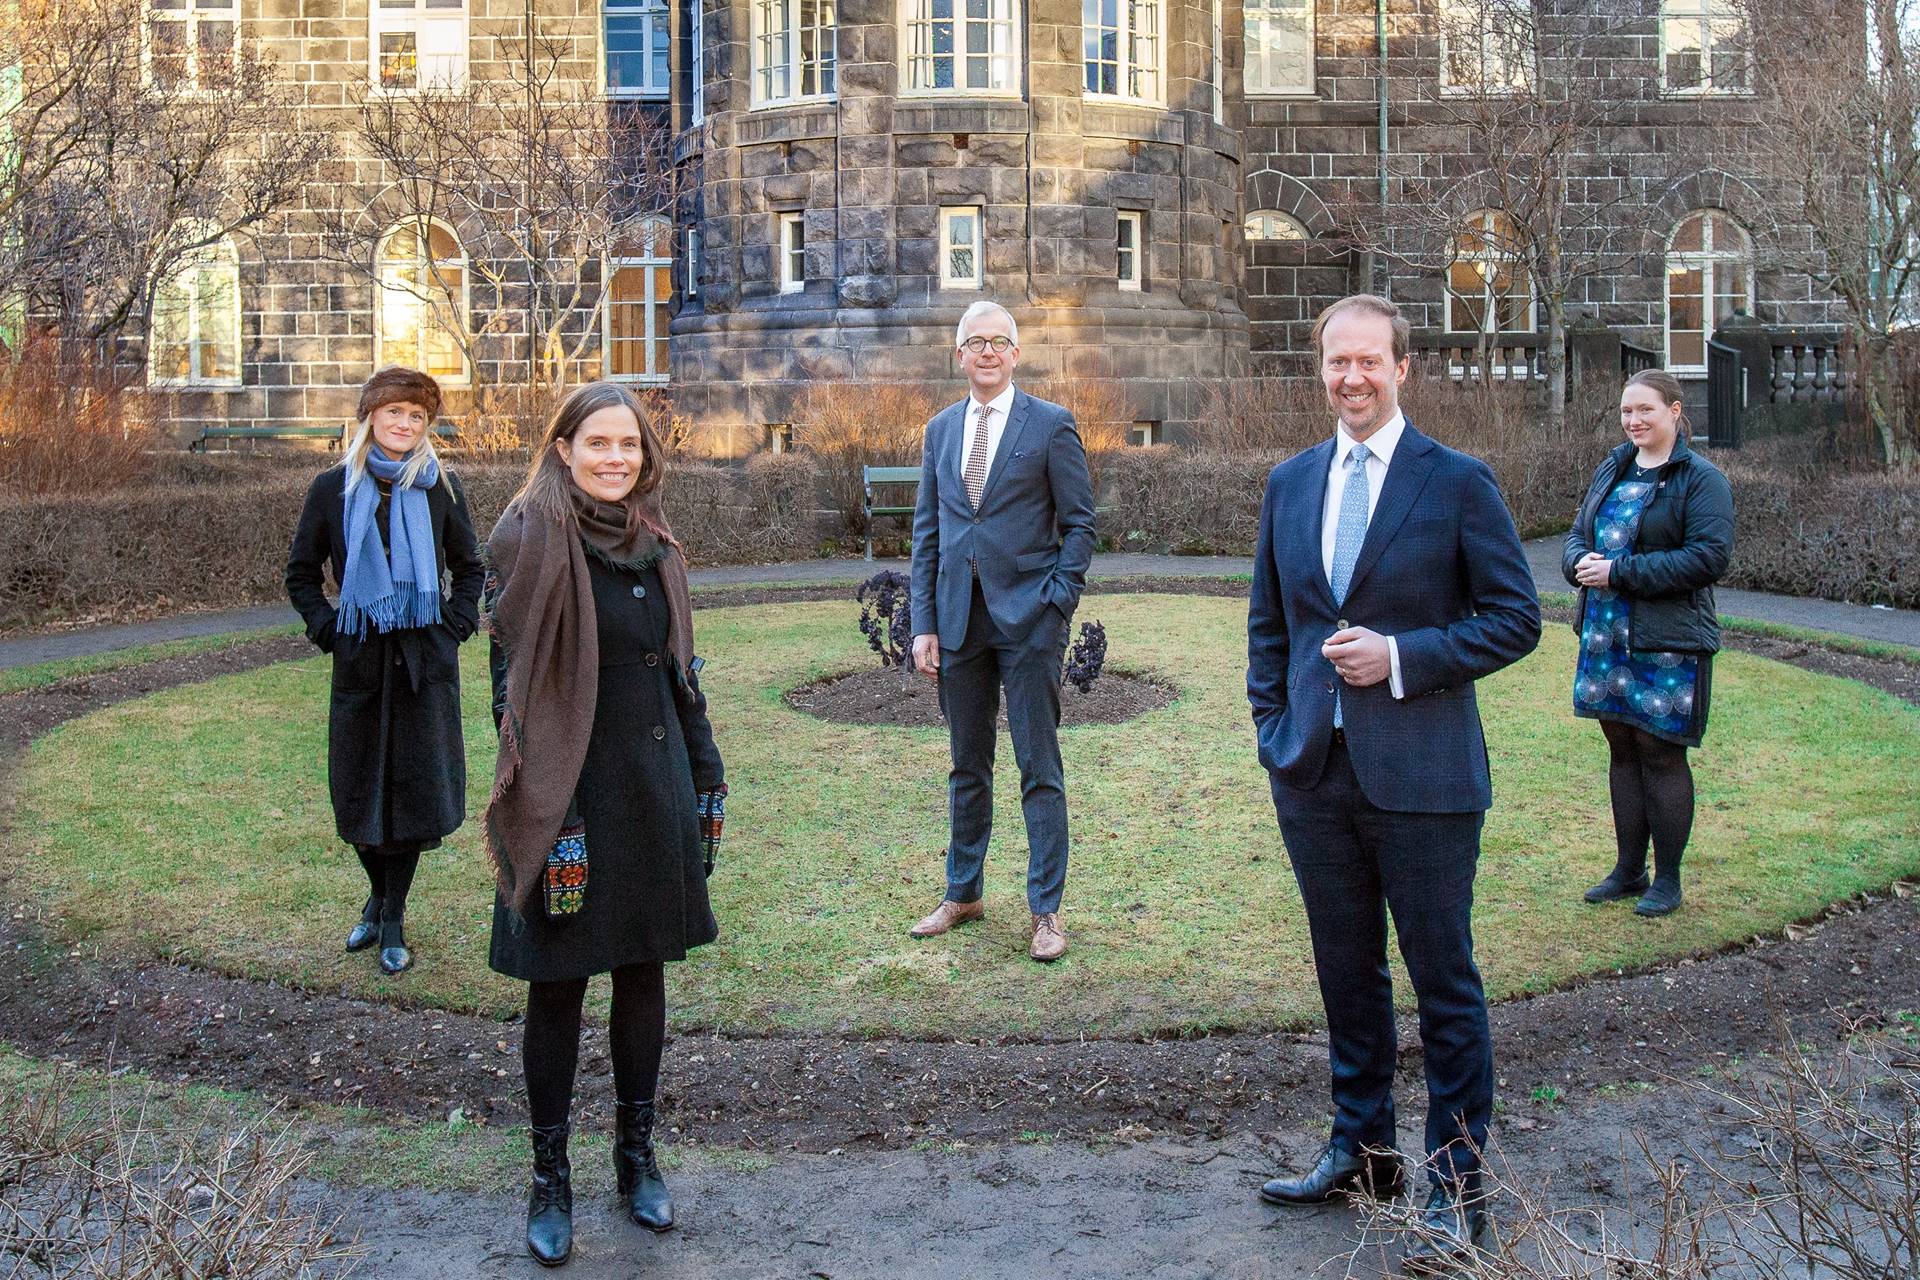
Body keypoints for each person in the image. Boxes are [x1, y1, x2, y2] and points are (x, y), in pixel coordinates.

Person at [1246, 295, 1540, 1271]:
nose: (1352, 377)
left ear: (1403, 367)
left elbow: (1515, 617)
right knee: (1347, 974)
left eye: (1370, 360)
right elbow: (1268, 628)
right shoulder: (1289, 484)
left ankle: (1460, 1187)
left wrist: (1402, 654)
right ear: (1321, 368)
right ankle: (1363, 1150)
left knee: (1443, 983)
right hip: (1314, 773)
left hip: (1426, 777)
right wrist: (1273, 729)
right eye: (1337, 361)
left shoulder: (1457, 482)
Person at [482, 381, 726, 1268]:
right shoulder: (529, 539)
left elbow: (678, 668)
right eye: (598, 444)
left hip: (651, 785)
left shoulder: (655, 539)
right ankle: (550, 1177)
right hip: (565, 800)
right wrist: (558, 813)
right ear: (562, 448)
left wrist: (705, 767)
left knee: (642, 976)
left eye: (629, 445)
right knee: (558, 989)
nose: (616, 459)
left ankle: (636, 1158)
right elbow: (507, 699)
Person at [905, 299, 1097, 963]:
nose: (987, 352)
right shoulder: (939, 431)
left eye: (999, 341)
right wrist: (923, 623)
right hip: (959, 621)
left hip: (1030, 623)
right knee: (967, 765)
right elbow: (928, 534)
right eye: (974, 342)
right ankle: (964, 891)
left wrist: (1058, 604)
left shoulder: (1050, 426)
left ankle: (1046, 911)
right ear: (958, 355)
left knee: (1038, 767)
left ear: (1016, 354)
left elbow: (1080, 525)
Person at [285, 366, 481, 977]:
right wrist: (330, 630)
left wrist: (453, 627)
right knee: (360, 792)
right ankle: (378, 894)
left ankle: (391, 916)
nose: (404, 424)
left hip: (424, 666)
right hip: (363, 663)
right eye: (394, 412)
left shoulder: (439, 488)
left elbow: (470, 567)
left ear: (427, 426)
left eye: (416, 417)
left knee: (416, 795)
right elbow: (301, 572)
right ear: (371, 416)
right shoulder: (332, 489)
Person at [1565, 369, 1734, 917]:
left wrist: (1620, 572)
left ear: (1675, 412)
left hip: (1667, 643)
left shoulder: (1700, 479)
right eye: (1626, 412)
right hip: (1605, 634)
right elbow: (1575, 535)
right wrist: (1578, 563)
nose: (1634, 421)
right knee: (1621, 750)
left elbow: (1708, 558)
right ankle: (1628, 869)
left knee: (1661, 752)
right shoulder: (1612, 467)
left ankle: (1669, 878)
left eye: (1646, 411)